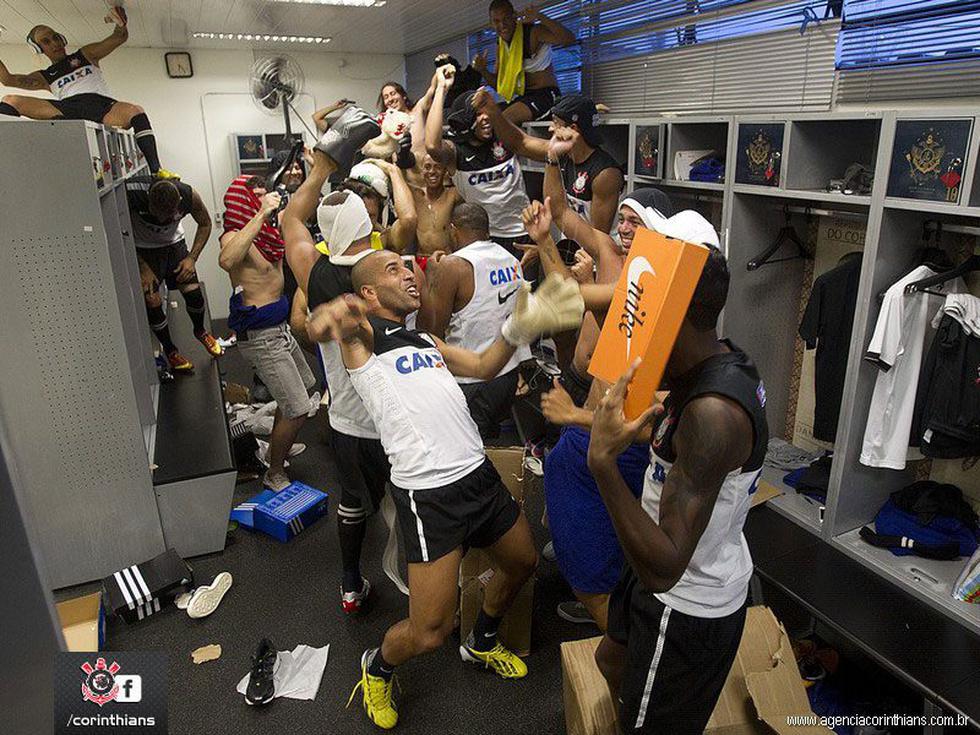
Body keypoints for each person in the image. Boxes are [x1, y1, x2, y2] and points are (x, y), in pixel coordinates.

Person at [305, 252, 583, 730]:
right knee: (430, 631)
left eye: (406, 267)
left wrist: (520, 328)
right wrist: (327, 316)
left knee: (523, 563)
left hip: (476, 474)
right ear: (368, 294)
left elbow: (481, 363)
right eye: (393, 270)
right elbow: (319, 328)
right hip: (429, 495)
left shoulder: (426, 340)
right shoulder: (365, 337)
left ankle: (483, 639)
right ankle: (377, 665)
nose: (409, 273)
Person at [588, 246, 768, 735]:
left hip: (685, 602)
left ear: (675, 317)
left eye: (640, 315)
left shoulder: (714, 413)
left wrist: (602, 463)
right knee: (610, 662)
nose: (631, 328)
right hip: (653, 563)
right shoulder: (705, 365)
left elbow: (666, 568)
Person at [522, 193, 679, 629]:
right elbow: (571, 298)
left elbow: (657, 420)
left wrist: (574, 416)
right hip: (591, 442)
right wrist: (546, 240)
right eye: (622, 220)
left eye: (636, 221)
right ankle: (606, 605)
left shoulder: (656, 295)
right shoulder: (629, 279)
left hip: (617, 446)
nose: (624, 228)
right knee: (594, 542)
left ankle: (618, 639)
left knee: (595, 572)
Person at [280, 139, 393, 615]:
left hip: (347, 421)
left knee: (352, 502)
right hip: (393, 417)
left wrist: (319, 170)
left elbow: (289, 222)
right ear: (368, 226)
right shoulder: (385, 273)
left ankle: (350, 586)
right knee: (411, 502)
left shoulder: (319, 275)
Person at [219, 175, 316, 491]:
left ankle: (278, 446)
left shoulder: (267, 235)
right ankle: (275, 470)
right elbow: (227, 260)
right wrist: (260, 214)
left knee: (304, 388)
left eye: (264, 196)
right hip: (261, 336)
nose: (263, 202)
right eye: (255, 198)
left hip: (280, 329)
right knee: (298, 408)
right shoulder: (234, 235)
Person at [0, 8, 175, 177]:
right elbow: (7, 80)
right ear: (39, 49)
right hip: (67, 109)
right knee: (10, 100)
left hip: (100, 105)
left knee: (136, 111)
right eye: (46, 42)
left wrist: (120, 22)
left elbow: (119, 37)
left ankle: (156, 172)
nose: (54, 43)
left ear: (62, 39)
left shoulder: (85, 54)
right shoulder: (44, 77)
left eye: (55, 38)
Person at [417, 202, 531, 439]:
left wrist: (430, 277)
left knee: (465, 450)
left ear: (453, 229)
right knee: (490, 441)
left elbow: (430, 330)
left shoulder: (453, 266)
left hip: (470, 378)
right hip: (507, 372)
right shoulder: (510, 259)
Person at [474, 91, 624, 234]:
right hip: (572, 244)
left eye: (556, 123)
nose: (550, 128)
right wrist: (494, 112)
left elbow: (598, 238)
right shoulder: (564, 152)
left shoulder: (605, 174)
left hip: (594, 253)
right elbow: (519, 143)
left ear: (573, 129)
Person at [425, 65, 530, 255]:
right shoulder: (456, 151)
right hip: (484, 238)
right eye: (477, 113)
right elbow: (432, 145)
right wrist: (441, 88)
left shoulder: (504, 136)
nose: (485, 118)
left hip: (522, 233)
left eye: (486, 111)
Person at [127, 175, 221, 372]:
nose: (161, 220)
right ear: (148, 199)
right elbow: (118, 231)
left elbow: (205, 224)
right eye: (156, 213)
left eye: (168, 215)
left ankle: (200, 331)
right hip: (144, 249)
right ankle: (171, 351)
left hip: (174, 245)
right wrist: (142, 268)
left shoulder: (188, 195)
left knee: (193, 292)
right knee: (151, 299)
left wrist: (192, 259)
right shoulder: (132, 193)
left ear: (178, 203)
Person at [474, 0, 576, 125]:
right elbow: (499, 85)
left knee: (503, 120)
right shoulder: (501, 44)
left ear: (514, 16)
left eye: (506, 18)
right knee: (484, 117)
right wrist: (483, 70)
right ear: (491, 23)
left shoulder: (532, 32)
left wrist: (540, 16)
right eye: (496, 21)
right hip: (524, 98)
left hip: (546, 96)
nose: (502, 25)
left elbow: (569, 39)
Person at [411, 154, 464, 259]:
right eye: (427, 167)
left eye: (437, 167)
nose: (432, 171)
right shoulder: (416, 195)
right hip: (421, 259)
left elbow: (468, 186)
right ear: (422, 172)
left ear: (445, 171)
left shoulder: (453, 195)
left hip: (445, 259)